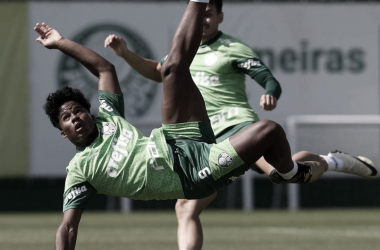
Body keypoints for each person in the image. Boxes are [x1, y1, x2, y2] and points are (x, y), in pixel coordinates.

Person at [34, 1, 378, 249]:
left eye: (78, 111)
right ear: (62, 132)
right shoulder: (80, 169)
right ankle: (311, 167)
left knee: (173, 70)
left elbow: (105, 70)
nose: (75, 117)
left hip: (184, 136)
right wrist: (127, 54)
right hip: (192, 171)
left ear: (89, 113)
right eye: (66, 118)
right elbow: (68, 228)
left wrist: (59, 43)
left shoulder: (108, 117)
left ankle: (295, 170)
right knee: (270, 135)